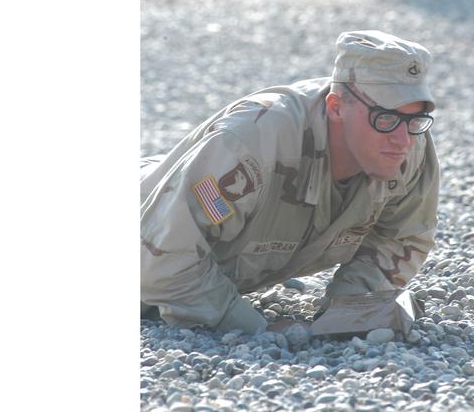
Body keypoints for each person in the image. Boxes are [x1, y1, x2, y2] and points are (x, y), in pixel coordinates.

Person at [140, 30, 440, 334]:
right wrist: (254, 328)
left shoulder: (407, 143)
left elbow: (405, 234)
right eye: (385, 117)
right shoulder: (252, 142)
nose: (402, 139)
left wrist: (348, 310)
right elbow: (162, 258)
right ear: (336, 106)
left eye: (414, 118)